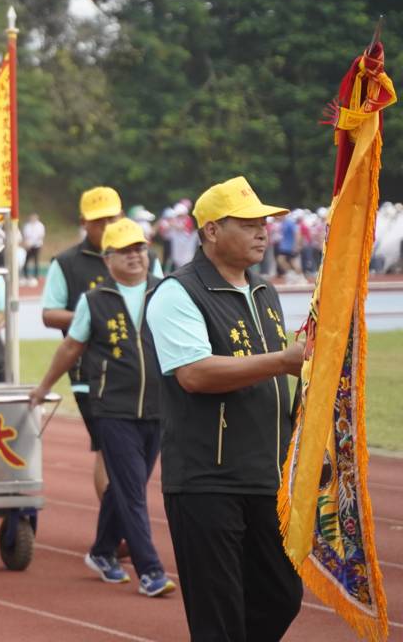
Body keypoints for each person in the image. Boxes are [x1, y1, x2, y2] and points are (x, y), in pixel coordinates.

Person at [146, 176, 305, 640]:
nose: (263, 232)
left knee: (280, 596)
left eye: (265, 223)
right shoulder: (178, 292)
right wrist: (282, 361)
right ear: (211, 231)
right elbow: (194, 373)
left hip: (268, 476)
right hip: (207, 481)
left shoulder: (264, 291)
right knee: (219, 614)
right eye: (249, 223)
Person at [29, 218, 175, 597]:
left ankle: (101, 551)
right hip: (112, 408)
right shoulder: (94, 302)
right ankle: (151, 570)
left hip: (158, 407)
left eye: (140, 249)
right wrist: (43, 387)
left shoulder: (165, 293)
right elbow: (71, 348)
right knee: (131, 490)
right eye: (125, 251)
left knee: (131, 484)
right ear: (107, 259)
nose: (135, 257)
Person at [41, 186, 126, 502]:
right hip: (87, 373)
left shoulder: (140, 255)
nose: (106, 227)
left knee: (134, 451)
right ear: (83, 222)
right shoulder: (66, 263)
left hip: (136, 372)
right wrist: (91, 317)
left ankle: (120, 523)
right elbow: (49, 314)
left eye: (112, 218)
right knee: (107, 447)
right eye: (98, 221)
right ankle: (116, 526)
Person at [21, 212, 46, 284]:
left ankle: (36, 276)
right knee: (26, 261)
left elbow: (40, 236)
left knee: (36, 261)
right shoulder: (27, 226)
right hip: (28, 246)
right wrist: (27, 244)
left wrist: (32, 243)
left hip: (36, 245)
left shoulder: (40, 226)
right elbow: (25, 235)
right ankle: (25, 276)